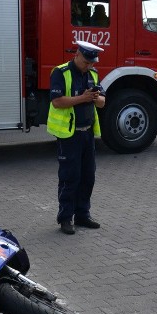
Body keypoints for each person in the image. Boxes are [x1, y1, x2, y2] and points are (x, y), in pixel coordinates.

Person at [47, 40, 106, 235]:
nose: (89, 66)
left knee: (88, 176)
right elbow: (57, 101)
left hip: (87, 133)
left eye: (92, 63)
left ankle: (83, 215)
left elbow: (102, 103)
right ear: (77, 55)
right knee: (70, 177)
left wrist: (96, 98)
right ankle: (65, 218)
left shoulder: (94, 74)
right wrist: (83, 97)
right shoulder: (61, 72)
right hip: (68, 135)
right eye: (86, 62)